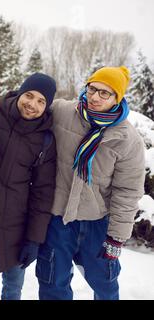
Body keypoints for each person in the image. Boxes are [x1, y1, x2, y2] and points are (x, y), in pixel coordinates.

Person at [36, 66, 145, 300]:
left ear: (118, 98)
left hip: (97, 223)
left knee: (104, 283)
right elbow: (29, 110)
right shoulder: (63, 112)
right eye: (92, 88)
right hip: (58, 219)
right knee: (52, 282)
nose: (94, 97)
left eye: (105, 93)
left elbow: (127, 192)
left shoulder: (127, 139)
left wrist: (116, 236)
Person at [0, 73, 57, 300]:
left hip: (18, 229)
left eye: (41, 101)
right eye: (29, 96)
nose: (32, 104)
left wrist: (34, 239)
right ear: (20, 93)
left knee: (13, 289)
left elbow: (43, 194)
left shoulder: (46, 140)